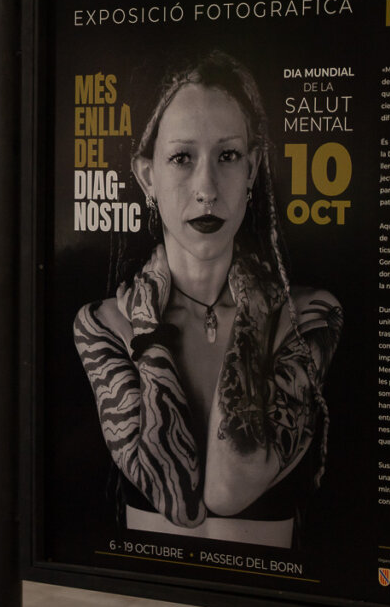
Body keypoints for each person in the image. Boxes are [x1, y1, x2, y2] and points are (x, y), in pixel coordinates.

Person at [73, 51, 343, 550]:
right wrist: (148, 326)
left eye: (228, 156)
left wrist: (254, 305)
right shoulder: (105, 323)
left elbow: (229, 487)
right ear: (147, 175)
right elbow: (178, 496)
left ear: (253, 167)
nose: (206, 189)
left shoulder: (310, 315)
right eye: (181, 158)